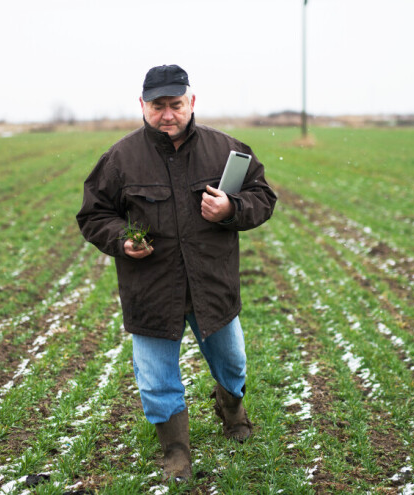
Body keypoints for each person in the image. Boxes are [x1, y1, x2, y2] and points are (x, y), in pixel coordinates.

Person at [76, 64, 277, 482]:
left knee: (233, 365)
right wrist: (122, 240)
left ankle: (232, 408)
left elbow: (263, 195)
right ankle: (176, 450)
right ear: (142, 105)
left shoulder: (226, 149)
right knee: (155, 379)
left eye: (175, 104)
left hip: (212, 285)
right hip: (151, 289)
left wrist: (231, 209)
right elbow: (94, 215)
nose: (167, 114)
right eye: (157, 106)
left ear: (192, 102)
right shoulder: (120, 158)